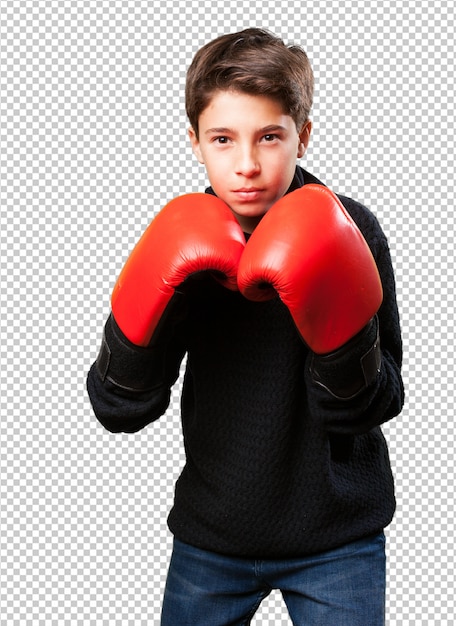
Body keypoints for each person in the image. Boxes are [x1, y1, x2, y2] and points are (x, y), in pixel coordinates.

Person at [87, 28, 404, 626]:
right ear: (195, 143)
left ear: (302, 137)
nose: (248, 164)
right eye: (224, 140)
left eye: (269, 137)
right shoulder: (181, 238)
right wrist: (149, 304)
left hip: (338, 539)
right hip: (213, 538)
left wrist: (335, 325)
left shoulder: (352, 228)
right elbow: (119, 409)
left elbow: (381, 399)